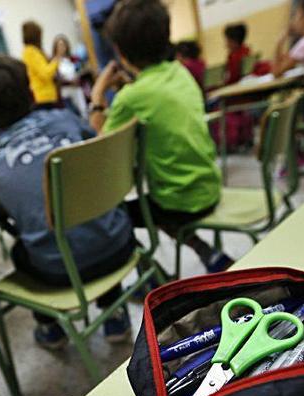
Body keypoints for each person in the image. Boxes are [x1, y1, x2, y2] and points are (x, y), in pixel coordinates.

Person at [0, 54, 135, 349]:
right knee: (88, 222)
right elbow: (97, 141)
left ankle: (51, 329)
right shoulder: (64, 119)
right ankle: (115, 315)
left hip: (62, 272)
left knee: (21, 251)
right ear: (30, 91)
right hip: (121, 243)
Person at [89, 0, 231, 274]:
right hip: (209, 188)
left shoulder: (131, 96)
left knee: (117, 215)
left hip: (180, 203)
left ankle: (151, 275)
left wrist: (98, 94)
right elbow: (155, 100)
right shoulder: (180, 72)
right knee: (155, 205)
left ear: (118, 50)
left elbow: (102, 144)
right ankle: (206, 252)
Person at [21, 21, 64, 107]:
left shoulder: (33, 51)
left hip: (47, 96)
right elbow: (46, 74)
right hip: (43, 97)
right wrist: (58, 57)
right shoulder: (31, 52)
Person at [52, 34, 89, 117]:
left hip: (77, 90)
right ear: (55, 47)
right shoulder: (53, 62)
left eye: (63, 45)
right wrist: (69, 82)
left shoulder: (73, 59)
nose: (62, 48)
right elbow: (55, 79)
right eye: (59, 45)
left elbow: (81, 70)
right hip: (66, 94)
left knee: (84, 113)